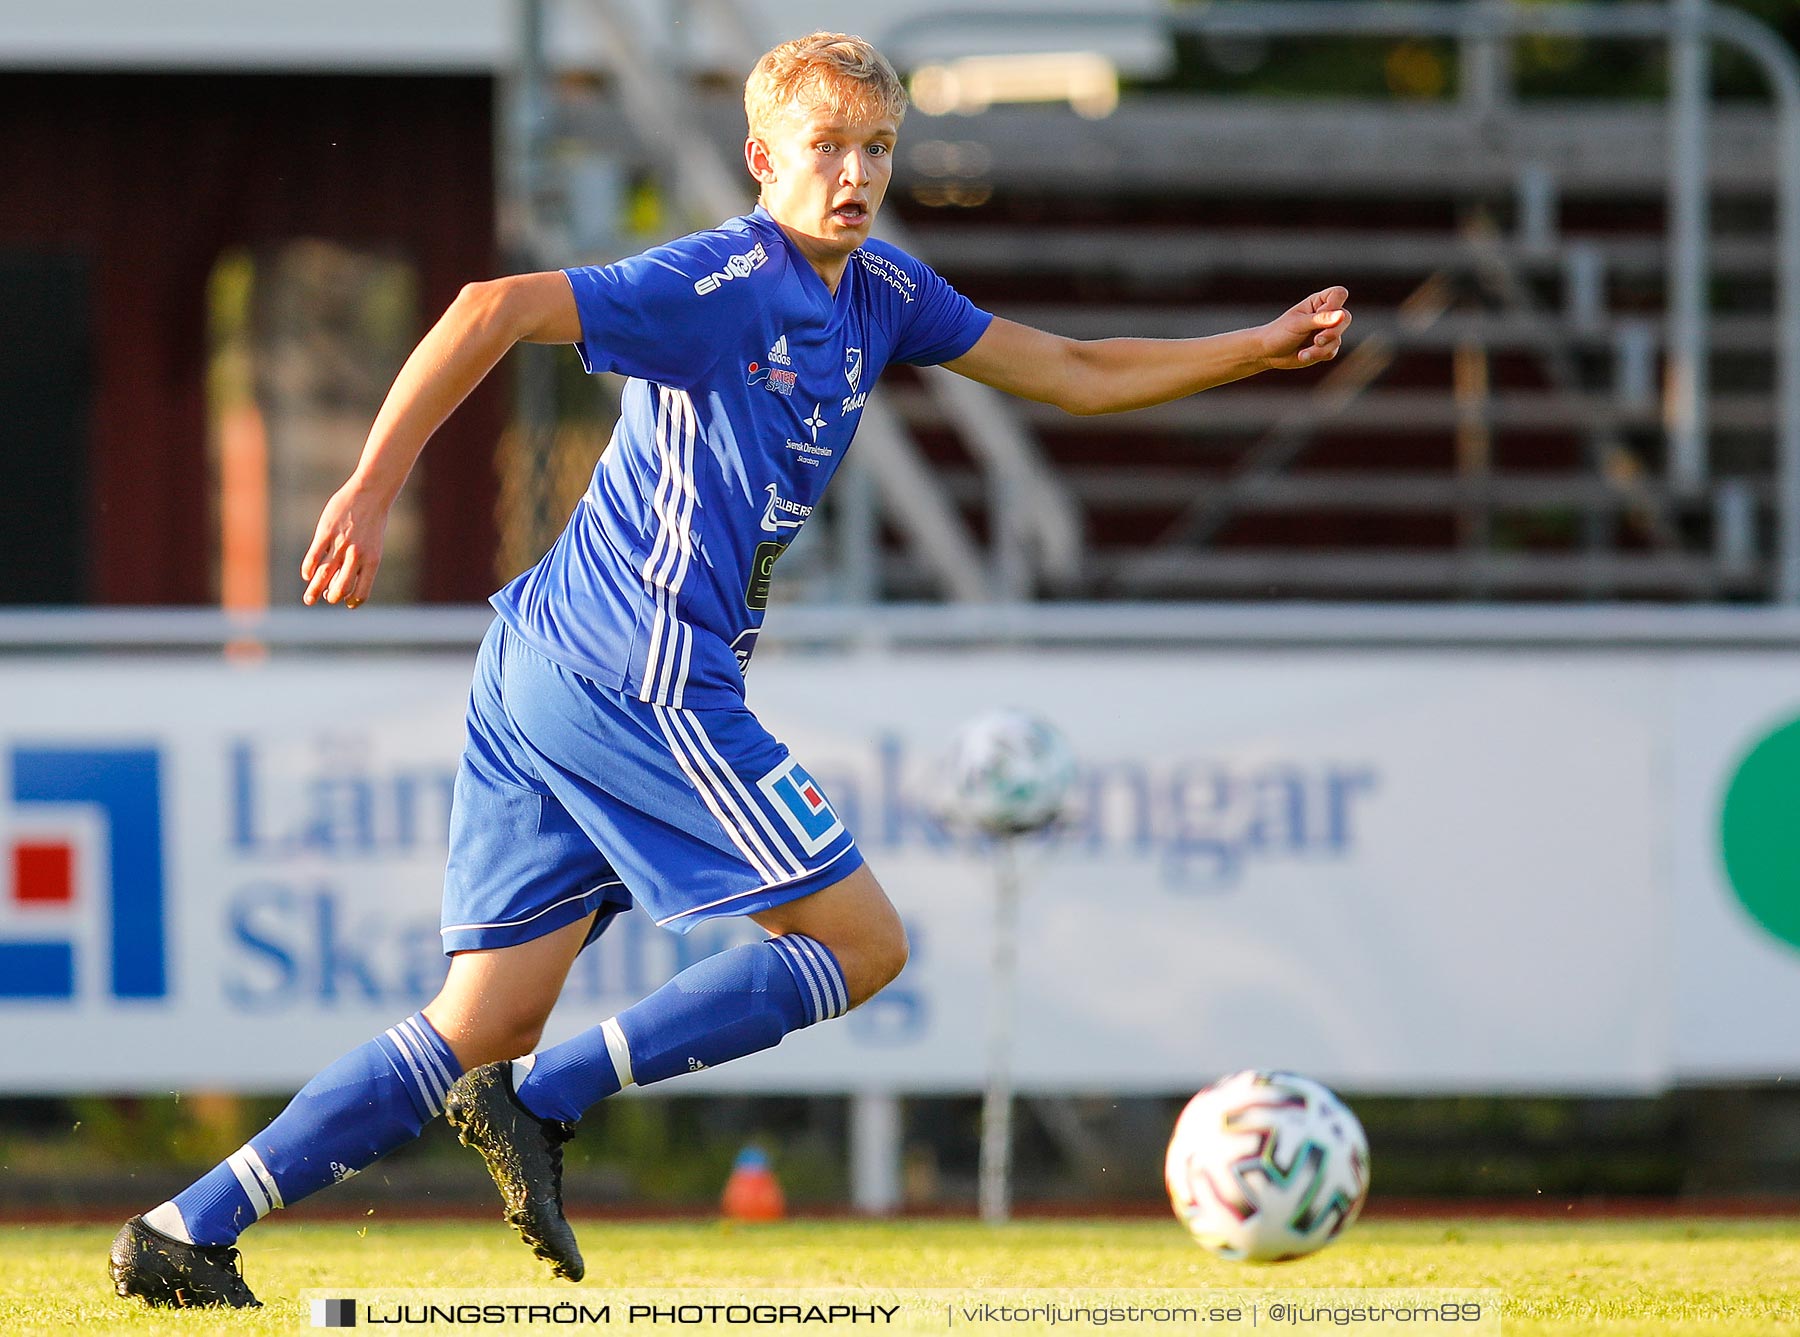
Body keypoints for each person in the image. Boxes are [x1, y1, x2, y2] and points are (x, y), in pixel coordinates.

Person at [108, 31, 1350, 1308]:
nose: (856, 173)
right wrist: (370, 489)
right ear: (764, 159)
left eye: (877, 148)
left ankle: (184, 1230)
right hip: (629, 670)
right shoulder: (723, 280)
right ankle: (545, 1101)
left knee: (478, 1016)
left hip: (545, 659)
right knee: (862, 943)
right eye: (827, 148)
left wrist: (1249, 350)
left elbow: (1074, 373)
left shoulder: (881, 293)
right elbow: (492, 306)